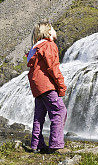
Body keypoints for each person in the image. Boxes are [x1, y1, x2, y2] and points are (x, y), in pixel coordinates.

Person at [26, 21, 68, 153]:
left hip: (37, 87)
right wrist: (61, 86)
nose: (55, 31)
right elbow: (53, 68)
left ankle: (36, 144)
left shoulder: (36, 48)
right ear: (48, 31)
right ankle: (56, 145)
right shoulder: (49, 45)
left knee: (39, 115)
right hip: (47, 85)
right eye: (53, 29)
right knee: (59, 111)